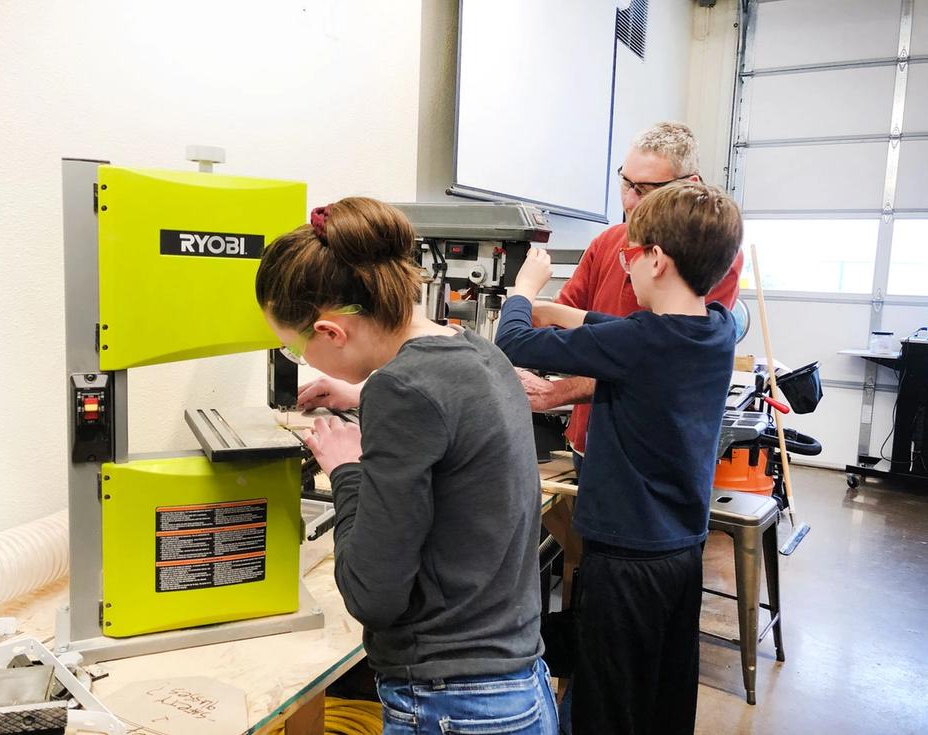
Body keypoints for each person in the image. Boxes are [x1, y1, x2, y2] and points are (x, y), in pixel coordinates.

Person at [255, 197, 557, 735]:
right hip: (516, 681)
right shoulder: (478, 352)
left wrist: (347, 469)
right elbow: (442, 410)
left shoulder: (401, 390)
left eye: (296, 349)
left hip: (452, 703)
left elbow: (373, 594)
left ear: (330, 332)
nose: (304, 362)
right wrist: (358, 392)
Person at [495, 181, 743, 734]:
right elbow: (627, 332)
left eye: (630, 256)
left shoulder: (637, 345)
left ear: (656, 259)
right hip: (679, 550)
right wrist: (559, 311)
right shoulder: (717, 329)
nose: (625, 269)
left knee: (606, 703)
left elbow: (513, 342)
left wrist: (521, 291)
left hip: (625, 558)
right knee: (661, 692)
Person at [519, 121, 743, 466]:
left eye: (645, 189)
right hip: (591, 438)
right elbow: (566, 321)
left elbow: (658, 361)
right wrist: (536, 312)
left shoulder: (715, 259)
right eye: (625, 183)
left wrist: (557, 389)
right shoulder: (607, 243)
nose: (629, 201)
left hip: (651, 449)